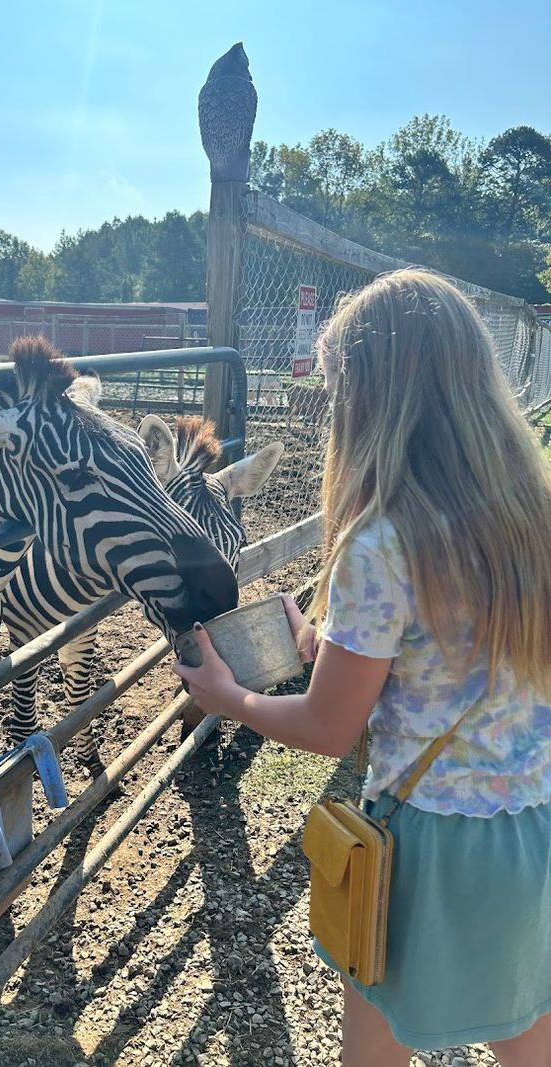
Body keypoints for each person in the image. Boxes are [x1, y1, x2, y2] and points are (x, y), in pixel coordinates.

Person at [173, 269, 551, 1067]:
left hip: (429, 844)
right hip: (531, 829)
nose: (331, 408)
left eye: (339, 387)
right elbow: (468, 656)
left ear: (379, 398)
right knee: (526, 1031)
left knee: (373, 1043)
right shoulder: (532, 517)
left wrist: (227, 695)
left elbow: (326, 725)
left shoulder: (382, 543)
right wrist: (334, 645)